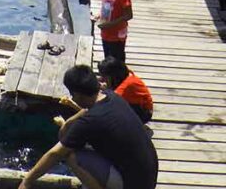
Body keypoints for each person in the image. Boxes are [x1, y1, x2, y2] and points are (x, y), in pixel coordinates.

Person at [19, 65, 157, 189]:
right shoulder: (111, 96)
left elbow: (55, 153)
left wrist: (27, 180)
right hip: (148, 176)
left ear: (77, 94)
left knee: (71, 155)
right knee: (83, 147)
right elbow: (85, 111)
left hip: (133, 185)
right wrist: (67, 123)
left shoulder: (89, 121)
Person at [98, 57, 153, 124]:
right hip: (139, 106)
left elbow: (111, 99)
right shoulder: (126, 75)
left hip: (143, 113)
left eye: (104, 76)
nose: (102, 78)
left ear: (113, 76)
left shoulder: (126, 85)